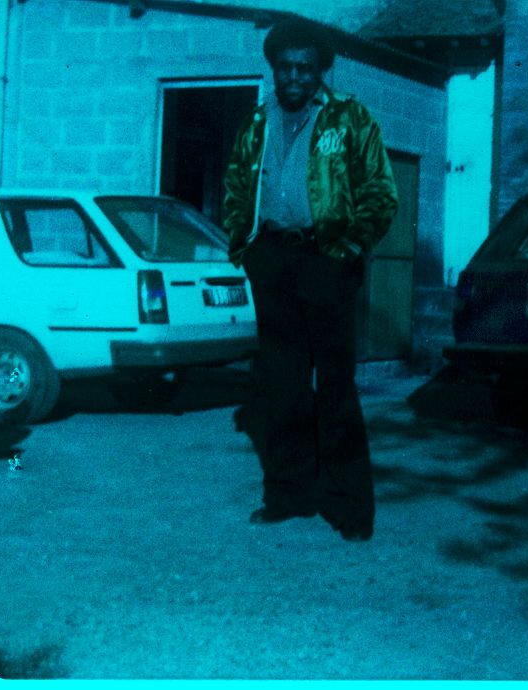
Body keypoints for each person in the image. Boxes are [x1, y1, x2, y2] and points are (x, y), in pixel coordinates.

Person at [223, 21, 398, 541]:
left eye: (305, 67)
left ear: (320, 70)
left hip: (327, 261)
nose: (295, 77)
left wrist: (348, 249)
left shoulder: (350, 117)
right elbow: (236, 187)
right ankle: (290, 495)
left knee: (335, 386)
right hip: (272, 260)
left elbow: (380, 192)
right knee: (284, 385)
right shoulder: (257, 122)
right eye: (286, 67)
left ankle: (349, 509)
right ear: (274, 69)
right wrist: (246, 249)